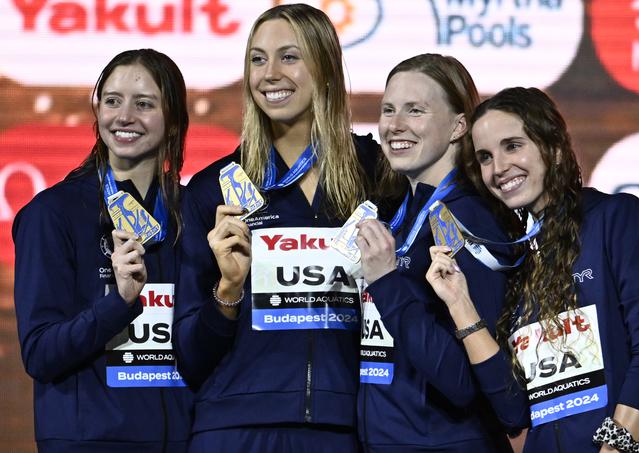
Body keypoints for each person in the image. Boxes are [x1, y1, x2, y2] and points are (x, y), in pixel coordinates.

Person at [427, 86, 639, 452]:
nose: (498, 168)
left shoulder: (618, 219)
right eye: (485, 157)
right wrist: (459, 304)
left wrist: (613, 448)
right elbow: (514, 409)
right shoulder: (516, 257)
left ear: (556, 148)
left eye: (513, 145)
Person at [173, 4, 377, 452]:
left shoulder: (375, 173)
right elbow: (189, 357)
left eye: (289, 56)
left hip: (341, 427)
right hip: (233, 429)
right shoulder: (215, 190)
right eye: (257, 59)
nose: (269, 74)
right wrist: (227, 290)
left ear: (324, 66)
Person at [13, 49, 194, 452]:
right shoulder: (52, 215)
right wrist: (121, 302)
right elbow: (41, 354)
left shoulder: (192, 213)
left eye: (143, 104)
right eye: (112, 101)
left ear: (175, 121)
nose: (123, 116)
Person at [354, 53, 524, 452]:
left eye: (415, 111)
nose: (394, 125)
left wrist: (386, 282)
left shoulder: (470, 220)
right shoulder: (396, 213)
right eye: (388, 110)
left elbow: (464, 382)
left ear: (458, 126)